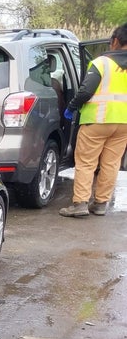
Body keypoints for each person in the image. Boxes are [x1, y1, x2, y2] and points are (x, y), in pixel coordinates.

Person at [60, 23, 127, 217]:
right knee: (111, 164)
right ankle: (100, 204)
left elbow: (86, 90)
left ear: (115, 41)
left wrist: (71, 107)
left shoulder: (102, 63)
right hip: (123, 124)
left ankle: (80, 204)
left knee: (86, 162)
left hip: (97, 120)